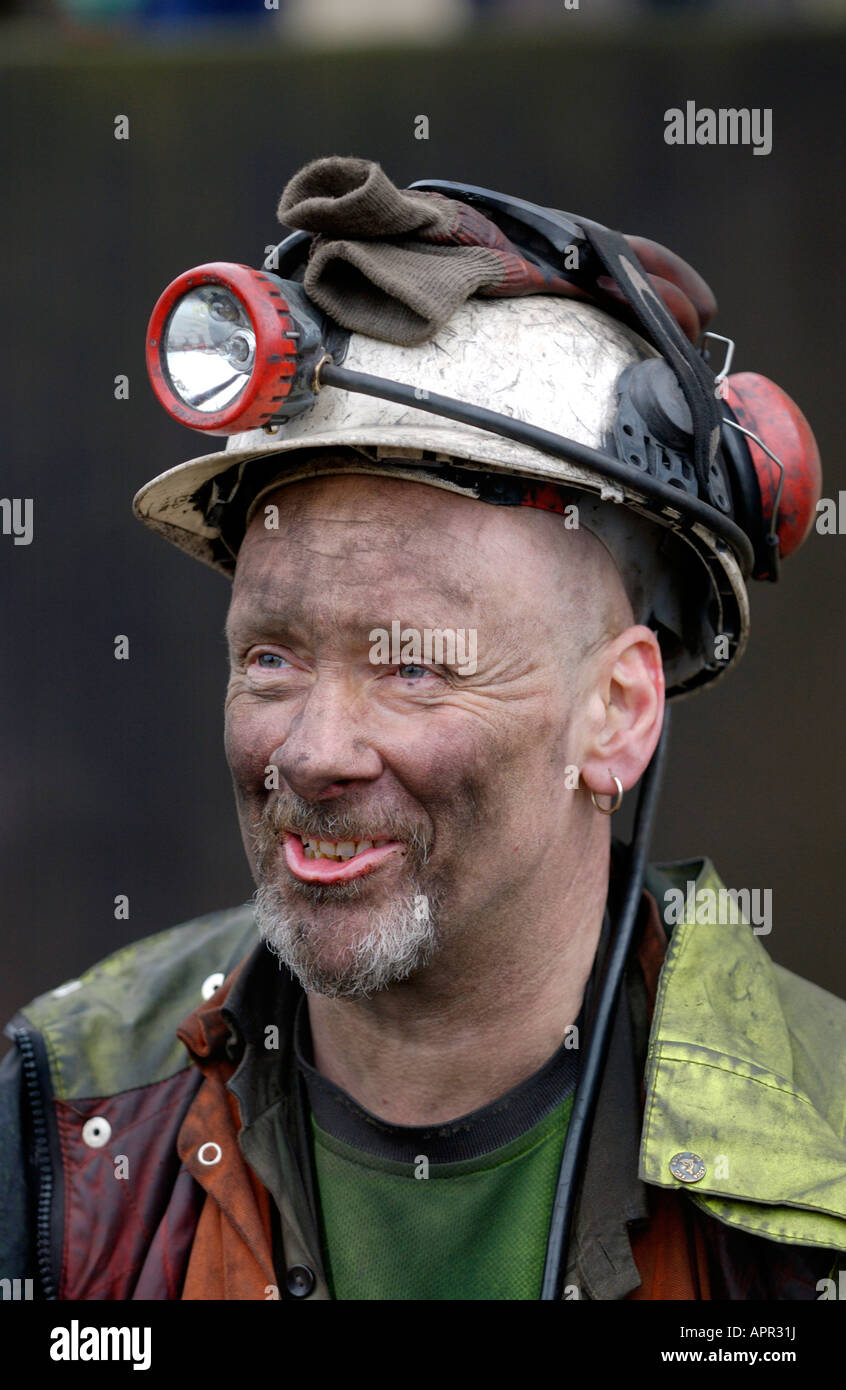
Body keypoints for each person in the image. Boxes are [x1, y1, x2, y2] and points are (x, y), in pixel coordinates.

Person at [1, 156, 844, 1302]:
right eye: (272, 657)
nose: (310, 751)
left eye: (412, 665)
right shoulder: (62, 1110)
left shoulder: (824, 1158)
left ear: (617, 711)